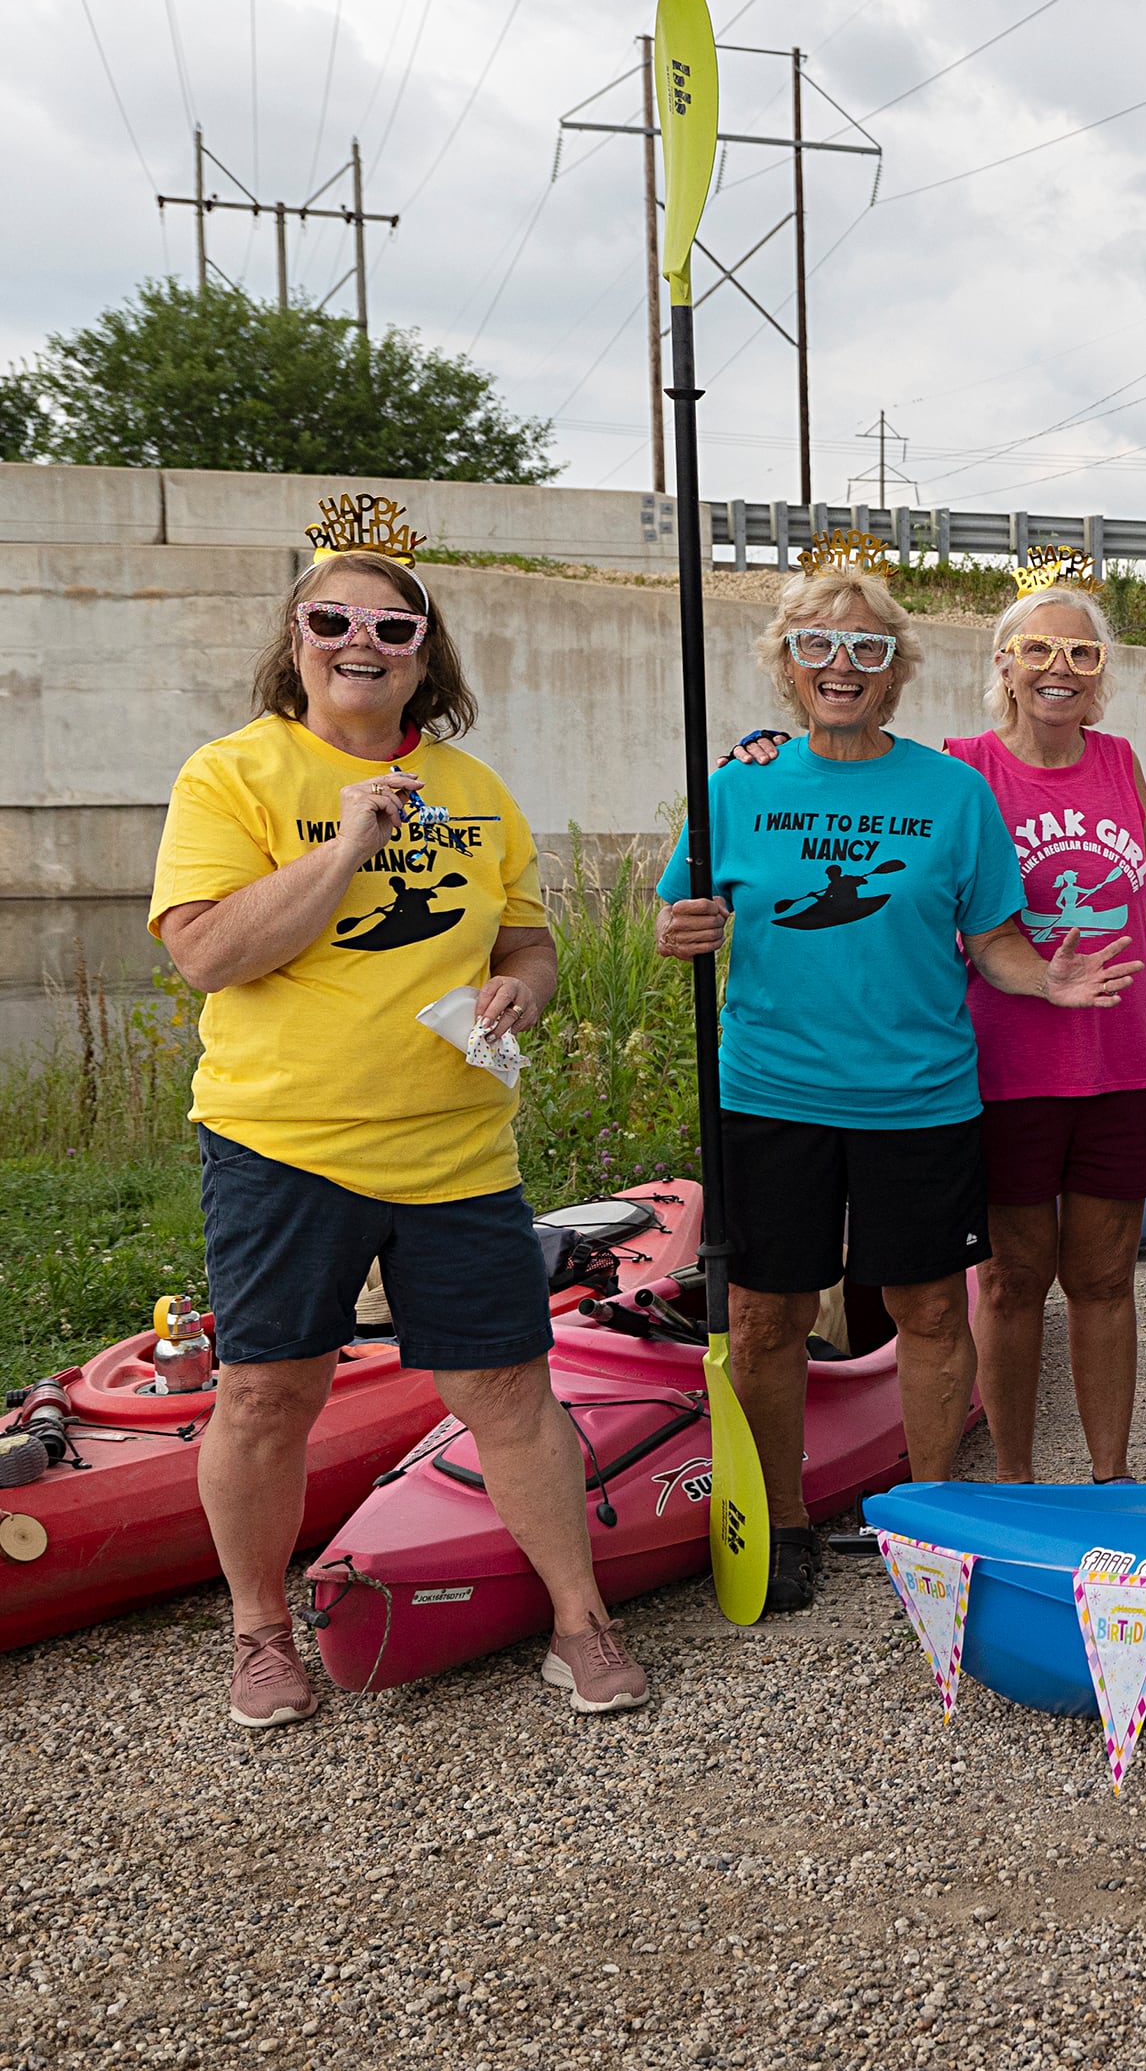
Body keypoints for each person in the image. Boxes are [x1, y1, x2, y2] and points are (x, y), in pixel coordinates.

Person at [150, 516, 645, 1724]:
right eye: (334, 620)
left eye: (392, 625)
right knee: (269, 1392)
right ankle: (263, 1632)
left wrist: (523, 987)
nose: (360, 642)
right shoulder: (233, 774)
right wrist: (349, 838)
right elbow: (209, 954)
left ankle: (578, 1620)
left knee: (513, 1391)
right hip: (284, 1147)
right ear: (296, 640)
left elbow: (525, 938)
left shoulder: (474, 791)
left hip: (456, 1150)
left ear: (426, 654)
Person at [654, 556, 1141, 1615]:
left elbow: (994, 937)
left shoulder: (951, 792)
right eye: (818, 647)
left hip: (919, 1095)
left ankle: (926, 1521)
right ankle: (780, 1519)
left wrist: (1044, 977)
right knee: (767, 1311)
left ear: (895, 671)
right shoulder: (735, 788)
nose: (842, 667)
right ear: (785, 664)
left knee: (928, 1307)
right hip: (772, 1093)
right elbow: (681, 918)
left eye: (867, 650)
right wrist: (675, 929)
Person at [948, 572, 1146, 1486]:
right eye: (1039, 649)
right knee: (1014, 1282)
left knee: (1104, 1280)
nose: (1060, 667)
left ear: (1099, 673)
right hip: (1008, 1065)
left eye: (1081, 652)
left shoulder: (1118, 760)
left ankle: (1109, 1479)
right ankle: (1015, 1480)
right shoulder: (962, 764)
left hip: (1122, 1062)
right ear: (1005, 666)